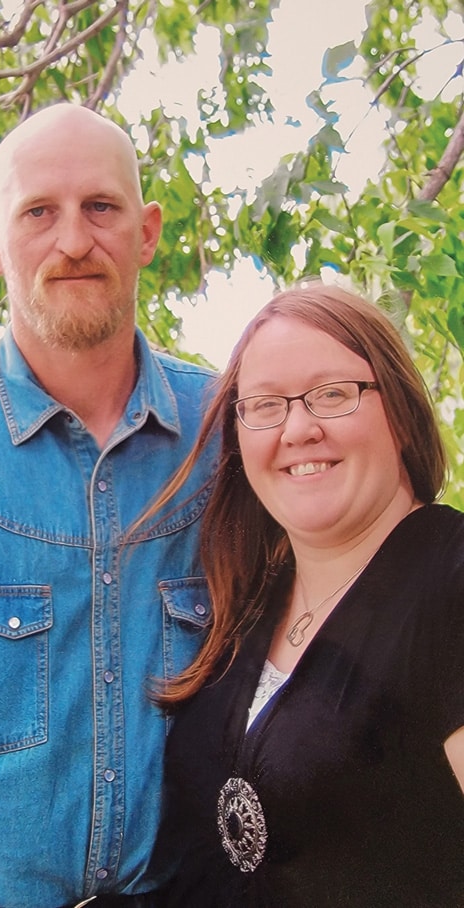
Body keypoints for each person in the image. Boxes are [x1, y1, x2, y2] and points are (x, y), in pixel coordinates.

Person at [0, 103, 218, 908]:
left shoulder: (227, 439)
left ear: (148, 230)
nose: (73, 241)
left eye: (101, 207)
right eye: (38, 213)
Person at [147, 282, 464, 907]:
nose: (298, 428)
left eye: (332, 395)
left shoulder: (449, 582)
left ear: (398, 411)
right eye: (264, 405)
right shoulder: (251, 600)